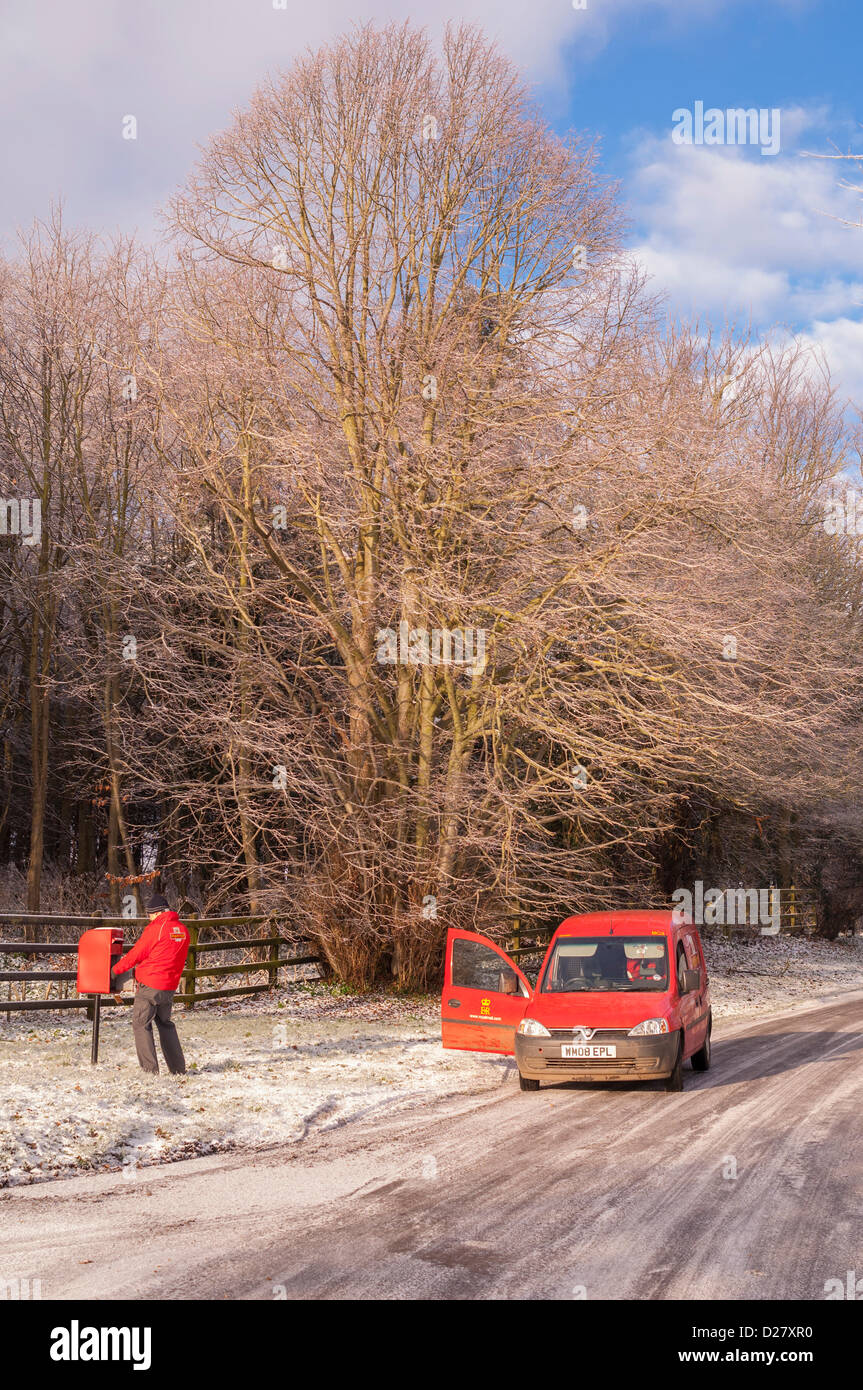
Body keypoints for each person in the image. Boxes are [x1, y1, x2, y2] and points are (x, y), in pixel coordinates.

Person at [111, 892, 190, 1075]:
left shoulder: (157, 929)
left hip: (150, 985)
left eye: (149, 915)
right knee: (165, 1024)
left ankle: (150, 1071)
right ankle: (178, 1069)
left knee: (141, 1024)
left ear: (156, 913)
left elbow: (136, 954)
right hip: (169, 985)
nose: (149, 919)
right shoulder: (182, 930)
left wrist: (115, 971)